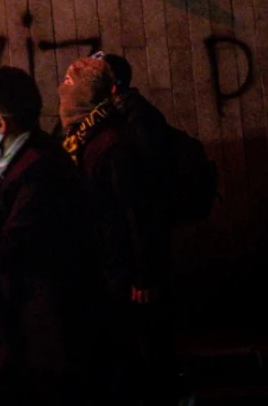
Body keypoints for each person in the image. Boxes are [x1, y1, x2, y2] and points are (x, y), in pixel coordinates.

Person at [0, 66, 103, 404]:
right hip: (13, 305)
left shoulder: (40, 169)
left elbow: (10, 246)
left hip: (40, 316)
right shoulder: (7, 157)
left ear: (1, 124)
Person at [59, 55, 176, 404]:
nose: (62, 90)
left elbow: (136, 212)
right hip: (105, 261)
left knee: (135, 344)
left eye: (69, 83)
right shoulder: (84, 136)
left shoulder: (110, 143)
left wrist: (143, 274)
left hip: (119, 265)